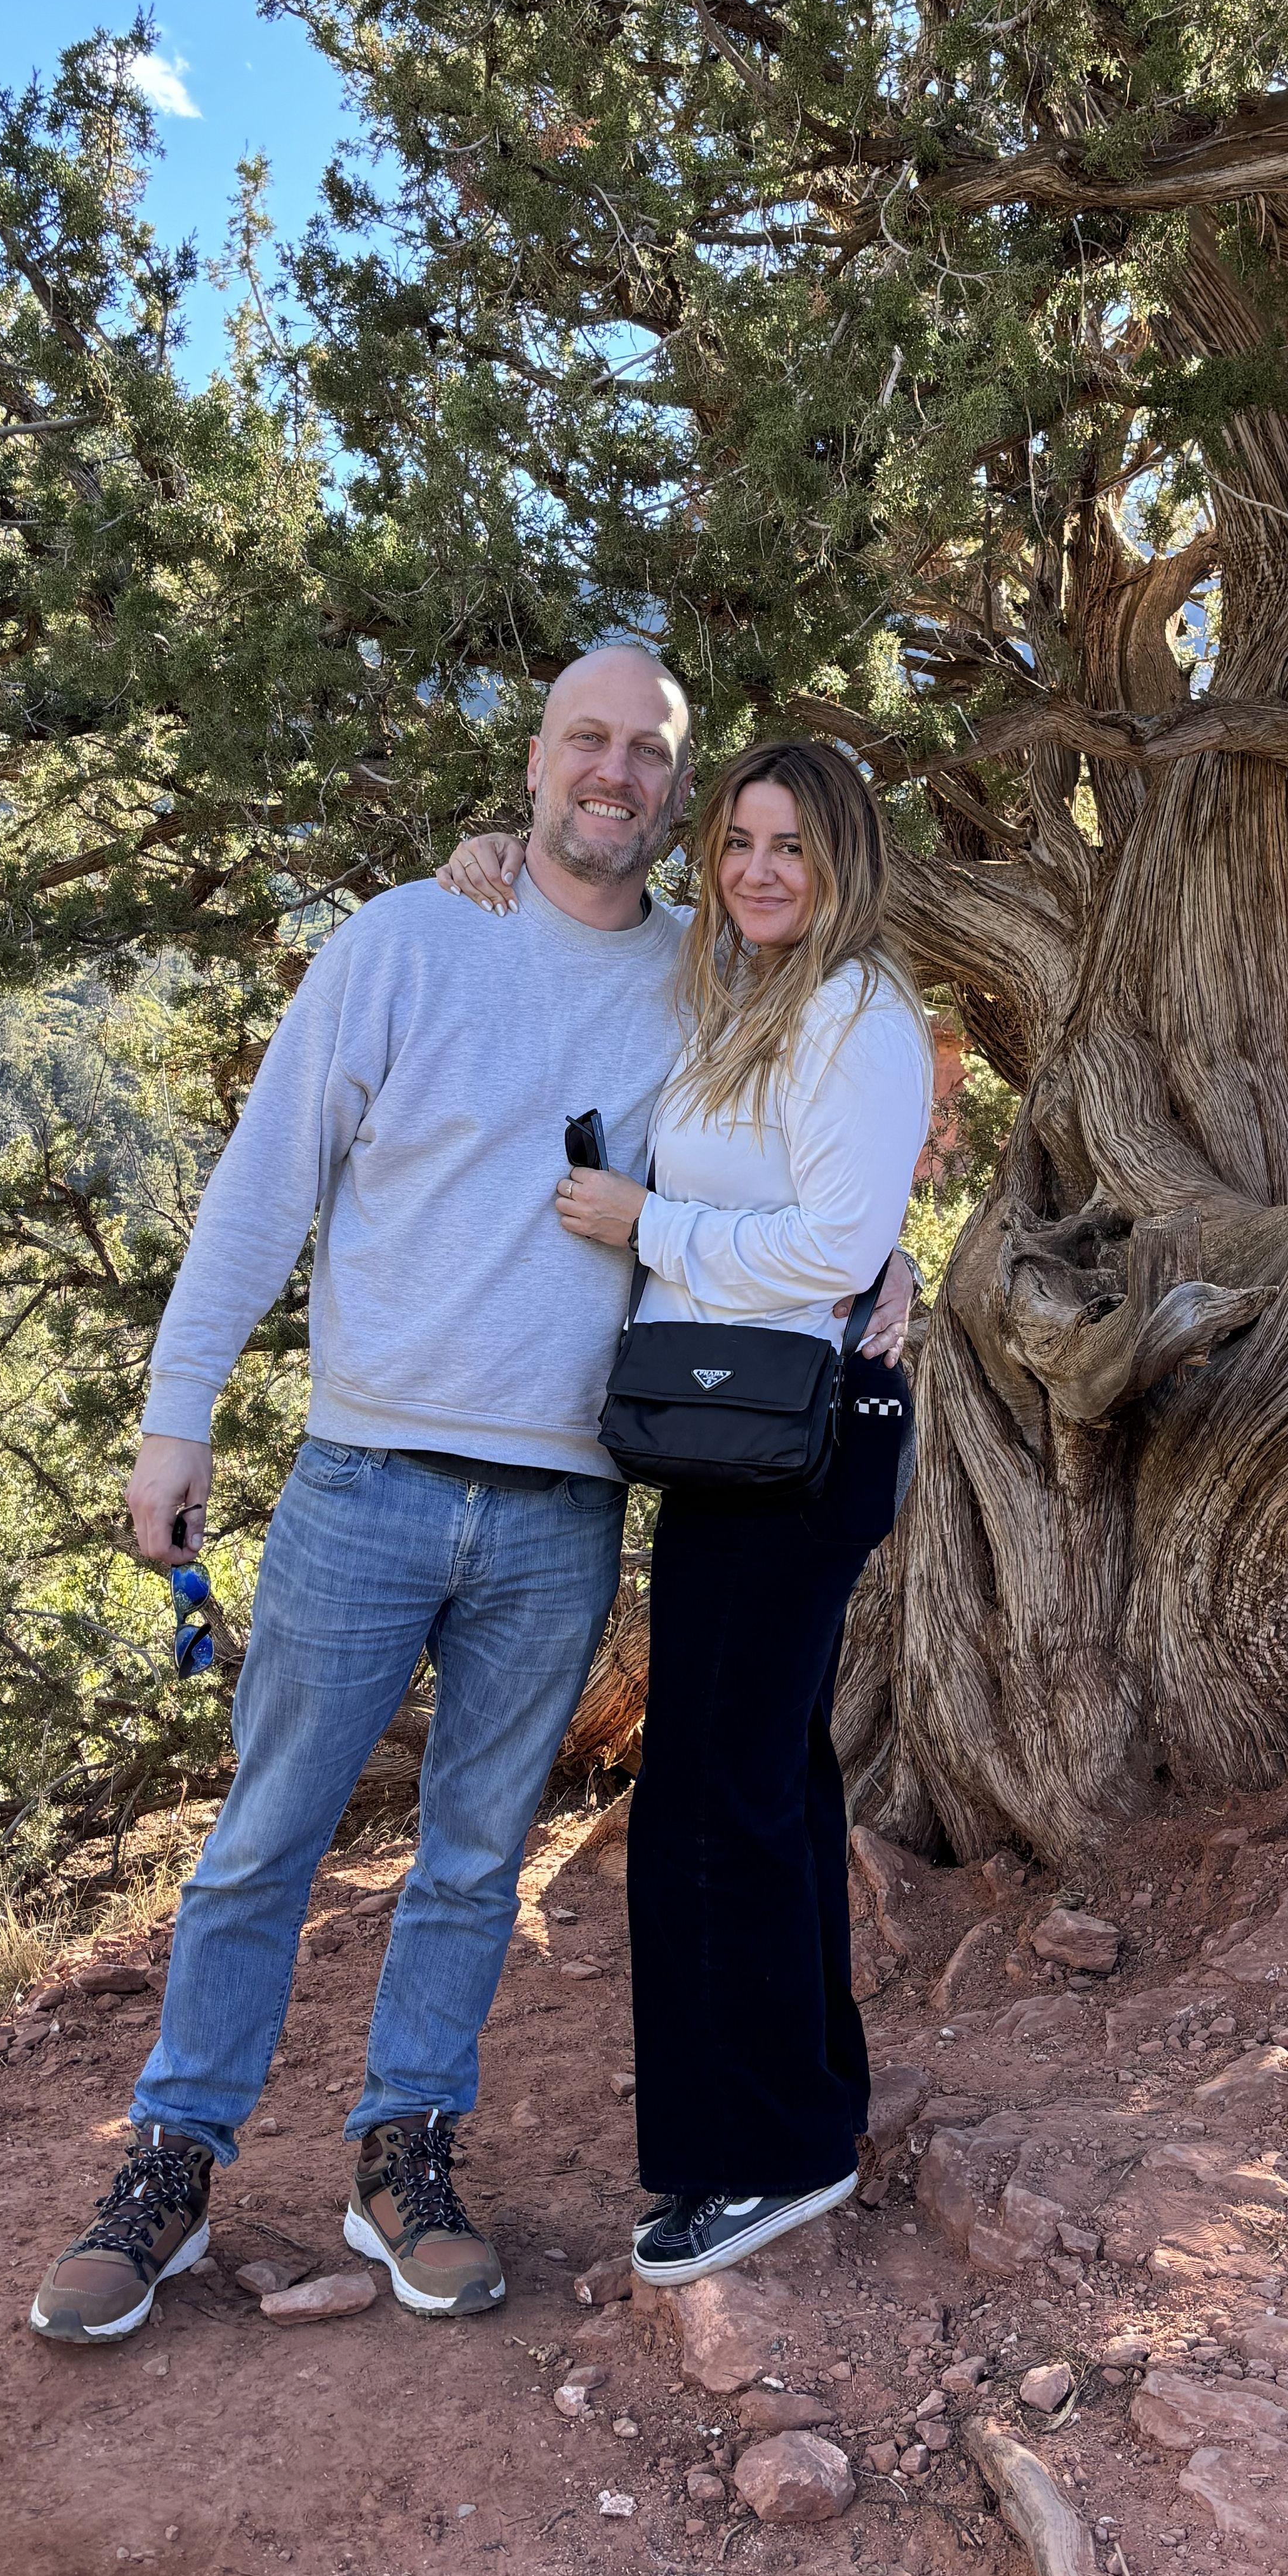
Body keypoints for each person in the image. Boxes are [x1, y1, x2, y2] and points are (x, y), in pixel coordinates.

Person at [28, 647, 912, 2343]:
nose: (616, 775)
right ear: (530, 764)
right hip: (366, 1471)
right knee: (264, 1842)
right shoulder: (410, 937)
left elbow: (819, 1152)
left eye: (648, 753)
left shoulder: (704, 980)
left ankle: (407, 2157)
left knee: (472, 1861)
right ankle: (167, 2170)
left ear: (672, 788)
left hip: (567, 1501)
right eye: (588, 740)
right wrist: (175, 1412)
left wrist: (885, 1273)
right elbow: (263, 1178)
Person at [440, 738, 933, 2286]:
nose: (759, 869)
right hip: (743, 1436)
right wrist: (495, 868)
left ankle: (762, 2158)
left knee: (709, 1796)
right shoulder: (747, 1006)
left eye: (792, 844)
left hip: (800, 1437)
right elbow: (817, 1224)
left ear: (844, 857)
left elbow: (840, 1236)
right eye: (737, 843)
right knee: (764, 1779)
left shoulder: (855, 1009)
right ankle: (808, 2116)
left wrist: (651, 1222)